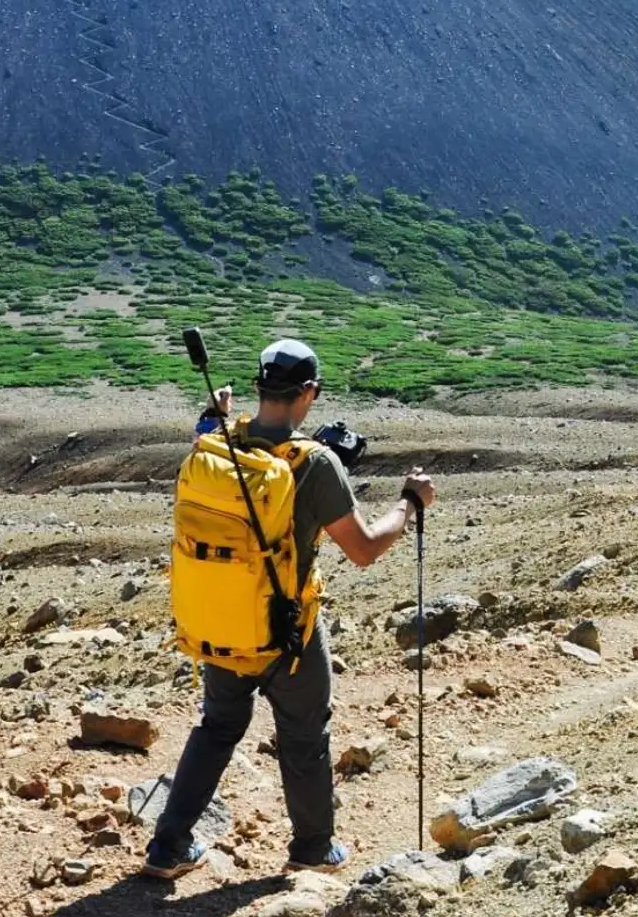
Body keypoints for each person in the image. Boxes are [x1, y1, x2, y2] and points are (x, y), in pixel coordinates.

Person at [144, 338, 436, 881]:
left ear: (258, 387)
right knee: (304, 734)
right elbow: (365, 547)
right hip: (289, 632)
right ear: (311, 393)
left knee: (216, 727)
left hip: (222, 620)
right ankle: (311, 849)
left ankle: (167, 848)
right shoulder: (317, 464)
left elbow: (204, 433)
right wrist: (409, 501)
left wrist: (216, 415)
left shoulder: (217, 443)